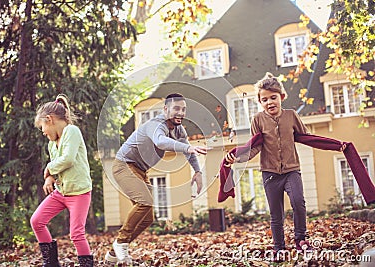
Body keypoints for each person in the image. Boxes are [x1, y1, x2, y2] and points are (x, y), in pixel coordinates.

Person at [105, 93, 209, 264]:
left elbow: (187, 150)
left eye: (183, 109)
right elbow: (161, 142)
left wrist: (197, 171)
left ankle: (113, 252)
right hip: (124, 164)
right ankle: (122, 242)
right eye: (176, 109)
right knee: (144, 202)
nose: (180, 113)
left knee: (147, 218)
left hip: (141, 170)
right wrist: (189, 148)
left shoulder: (179, 129)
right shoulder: (156, 125)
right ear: (166, 109)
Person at [224, 73, 312, 258]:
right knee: (276, 213)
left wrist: (334, 145)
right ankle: (279, 247)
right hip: (270, 173)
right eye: (265, 99)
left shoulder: (291, 115)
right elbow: (255, 147)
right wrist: (239, 158)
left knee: (298, 202)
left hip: (291, 170)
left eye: (273, 97)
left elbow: (306, 137)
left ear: (282, 96)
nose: (270, 102)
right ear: (260, 101)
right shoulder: (257, 120)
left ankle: (300, 239)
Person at [30, 94, 93, 267]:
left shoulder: (71, 131)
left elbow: (68, 159)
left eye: (43, 127)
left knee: (76, 234)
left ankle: (86, 264)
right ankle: (51, 263)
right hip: (61, 192)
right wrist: (49, 177)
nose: (43, 132)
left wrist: (49, 168)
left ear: (49, 120)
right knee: (37, 221)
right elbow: (58, 166)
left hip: (79, 193)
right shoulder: (52, 143)